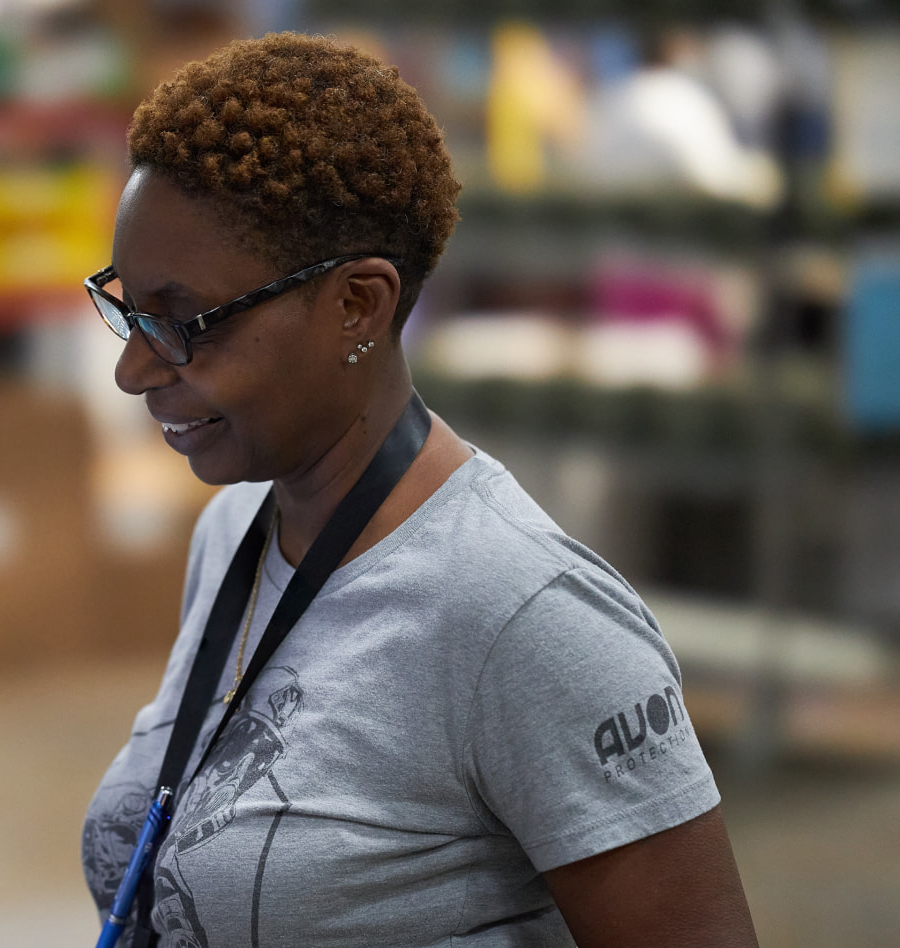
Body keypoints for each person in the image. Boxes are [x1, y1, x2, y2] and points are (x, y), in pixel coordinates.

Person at [80, 35, 757, 947]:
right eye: (128, 308)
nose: (132, 368)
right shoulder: (238, 528)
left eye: (181, 323)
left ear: (358, 304)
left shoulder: (524, 618)